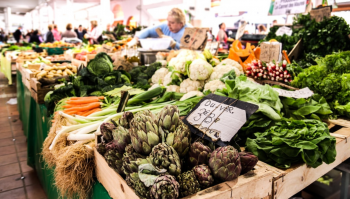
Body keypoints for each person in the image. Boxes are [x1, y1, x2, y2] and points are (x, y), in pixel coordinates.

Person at [127, 8, 191, 49]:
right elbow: (148, 31)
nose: (168, 24)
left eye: (172, 23)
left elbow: (189, 51)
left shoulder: (189, 31)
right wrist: (135, 39)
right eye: (168, 21)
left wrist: (174, 43)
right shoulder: (165, 26)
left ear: (181, 23)